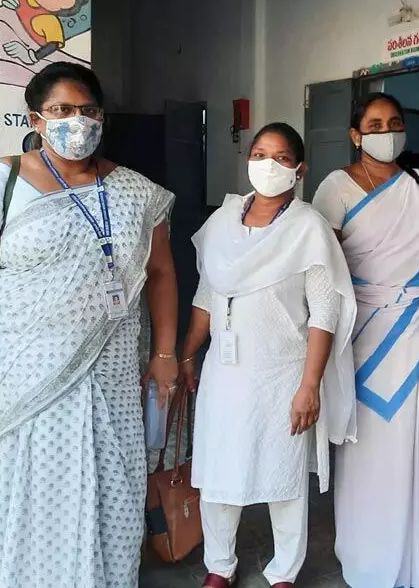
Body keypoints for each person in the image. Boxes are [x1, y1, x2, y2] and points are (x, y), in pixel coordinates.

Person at [0, 61, 178, 588]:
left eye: (87, 110)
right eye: (62, 111)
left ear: (103, 116)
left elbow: (160, 274)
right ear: (36, 119)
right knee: (31, 502)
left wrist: (164, 354)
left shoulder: (137, 192)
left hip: (112, 381)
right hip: (28, 383)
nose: (77, 121)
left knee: (112, 496)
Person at [179, 122, 358, 588]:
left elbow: (325, 311)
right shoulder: (221, 223)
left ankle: (284, 572)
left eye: (281, 158)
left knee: (284, 476)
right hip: (225, 372)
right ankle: (220, 565)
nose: (268, 165)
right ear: (247, 160)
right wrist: (185, 355)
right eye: (260, 153)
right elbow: (205, 296)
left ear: (299, 171)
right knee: (218, 470)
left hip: (283, 375)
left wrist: (309, 386)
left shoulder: (308, 229)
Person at [311, 93, 419, 587]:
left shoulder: (418, 182)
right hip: (362, 332)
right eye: (375, 123)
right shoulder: (335, 187)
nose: (387, 130)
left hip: (417, 330)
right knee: (371, 444)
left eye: (395, 122)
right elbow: (321, 268)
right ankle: (372, 553)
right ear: (356, 134)